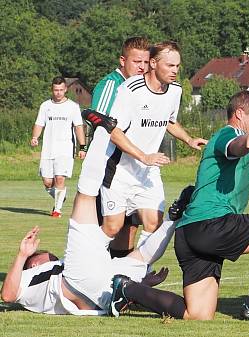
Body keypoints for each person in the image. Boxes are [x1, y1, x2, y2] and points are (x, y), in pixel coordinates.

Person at [150, 91, 249, 322]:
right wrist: (248, 142)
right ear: (240, 114)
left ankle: (128, 290)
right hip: (212, 224)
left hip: (190, 233)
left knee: (198, 314)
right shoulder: (227, 134)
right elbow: (234, 146)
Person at [0, 180, 182, 316]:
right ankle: (101, 136)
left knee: (142, 257)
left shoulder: (48, 273)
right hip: (77, 285)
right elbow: (7, 295)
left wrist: (143, 287)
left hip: (100, 288)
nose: (52, 257)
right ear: (33, 265)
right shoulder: (30, 278)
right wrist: (22, 255)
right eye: (44, 256)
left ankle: (173, 219)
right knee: (84, 197)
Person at [91, 41, 206, 252]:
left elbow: (169, 120)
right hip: (119, 170)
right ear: (154, 63)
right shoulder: (130, 89)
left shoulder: (175, 91)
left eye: (177, 66)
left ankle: (137, 274)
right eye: (170, 66)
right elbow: (113, 131)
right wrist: (143, 156)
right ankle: (80, 265)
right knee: (112, 227)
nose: (175, 71)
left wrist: (188, 139)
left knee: (154, 223)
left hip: (148, 171)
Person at [87, 36, 150, 257]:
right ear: (123, 60)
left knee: (130, 227)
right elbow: (98, 122)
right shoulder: (111, 84)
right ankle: (86, 274)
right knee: (106, 228)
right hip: (107, 167)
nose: (142, 67)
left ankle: (122, 280)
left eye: (145, 62)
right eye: (137, 62)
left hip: (133, 168)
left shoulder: (142, 88)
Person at [31, 76, 86, 218]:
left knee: (60, 179)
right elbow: (39, 123)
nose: (58, 93)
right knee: (48, 182)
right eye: (56, 90)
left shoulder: (73, 106)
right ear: (52, 90)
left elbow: (78, 127)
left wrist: (82, 147)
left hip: (65, 150)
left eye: (61, 90)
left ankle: (57, 209)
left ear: (66, 89)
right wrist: (35, 137)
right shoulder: (45, 106)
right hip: (48, 149)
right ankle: (60, 196)